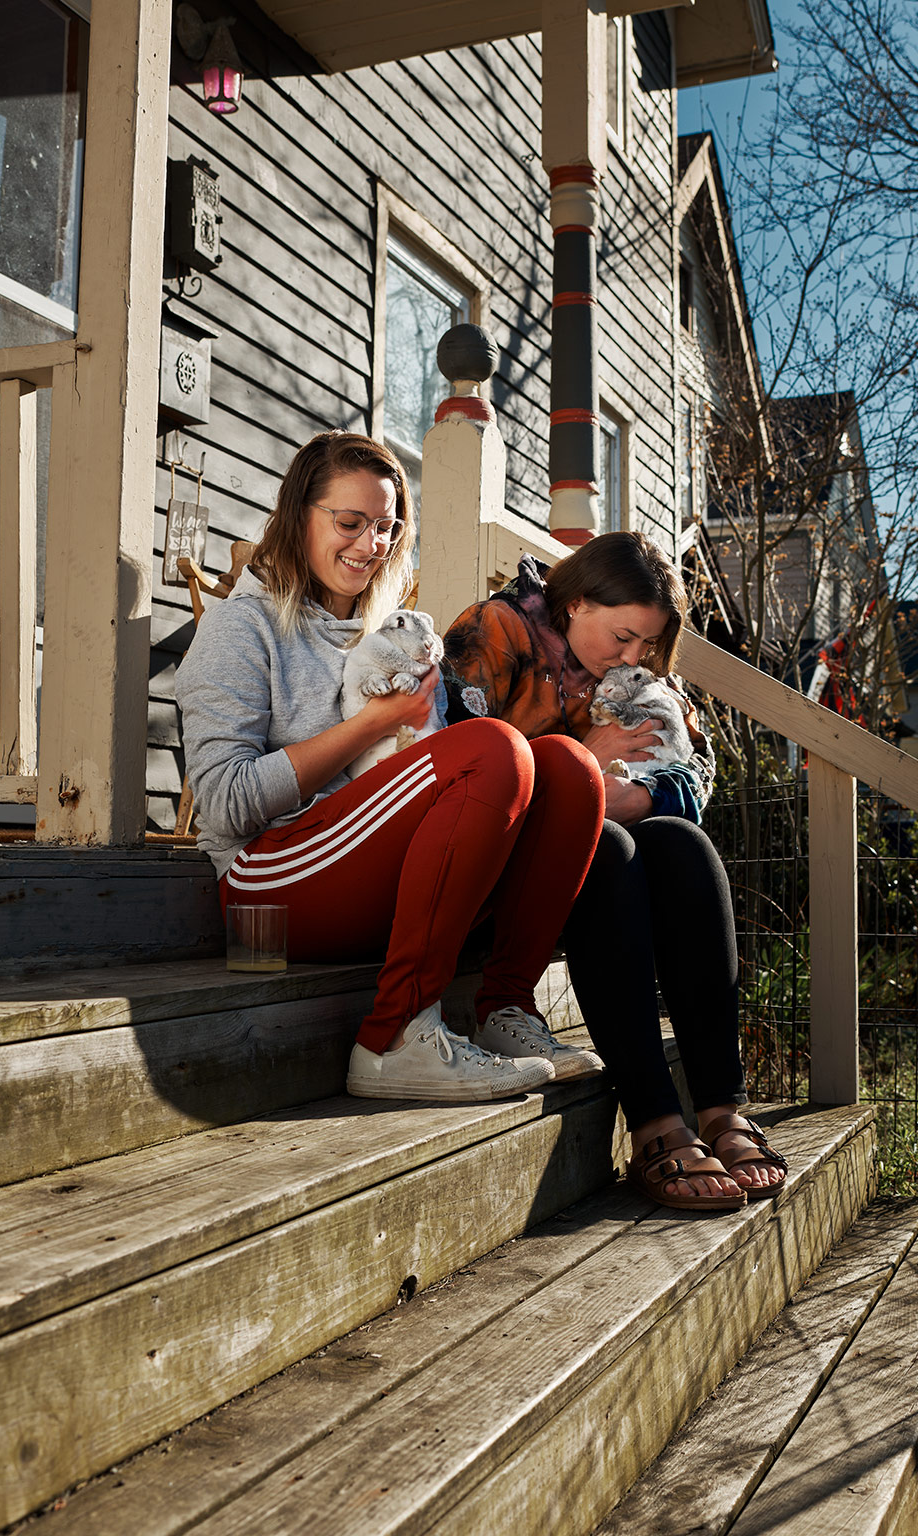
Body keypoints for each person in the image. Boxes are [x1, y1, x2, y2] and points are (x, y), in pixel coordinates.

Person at [175, 431, 605, 1102]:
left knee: (568, 768)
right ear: (298, 516)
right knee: (494, 749)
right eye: (350, 522)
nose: (370, 544)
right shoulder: (240, 628)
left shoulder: (392, 633)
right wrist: (372, 725)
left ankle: (506, 1010)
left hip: (364, 879)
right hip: (266, 896)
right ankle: (394, 1038)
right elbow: (227, 804)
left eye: (386, 526)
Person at [443, 530, 788, 1207]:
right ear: (575, 603)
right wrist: (583, 759)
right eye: (624, 637)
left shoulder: (639, 667)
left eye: (647, 644)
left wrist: (643, 795)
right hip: (498, 871)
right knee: (608, 847)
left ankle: (721, 1108)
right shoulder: (496, 632)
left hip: (603, 868)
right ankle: (654, 1120)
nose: (634, 657)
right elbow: (457, 761)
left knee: (682, 845)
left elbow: (698, 767)